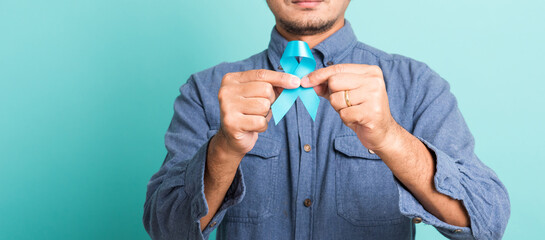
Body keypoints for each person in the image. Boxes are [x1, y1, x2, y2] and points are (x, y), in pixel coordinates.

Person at [143, 0, 510, 239]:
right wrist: (224, 148)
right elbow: (165, 230)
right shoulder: (206, 91)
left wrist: (390, 138)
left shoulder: (417, 86)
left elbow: (486, 221)